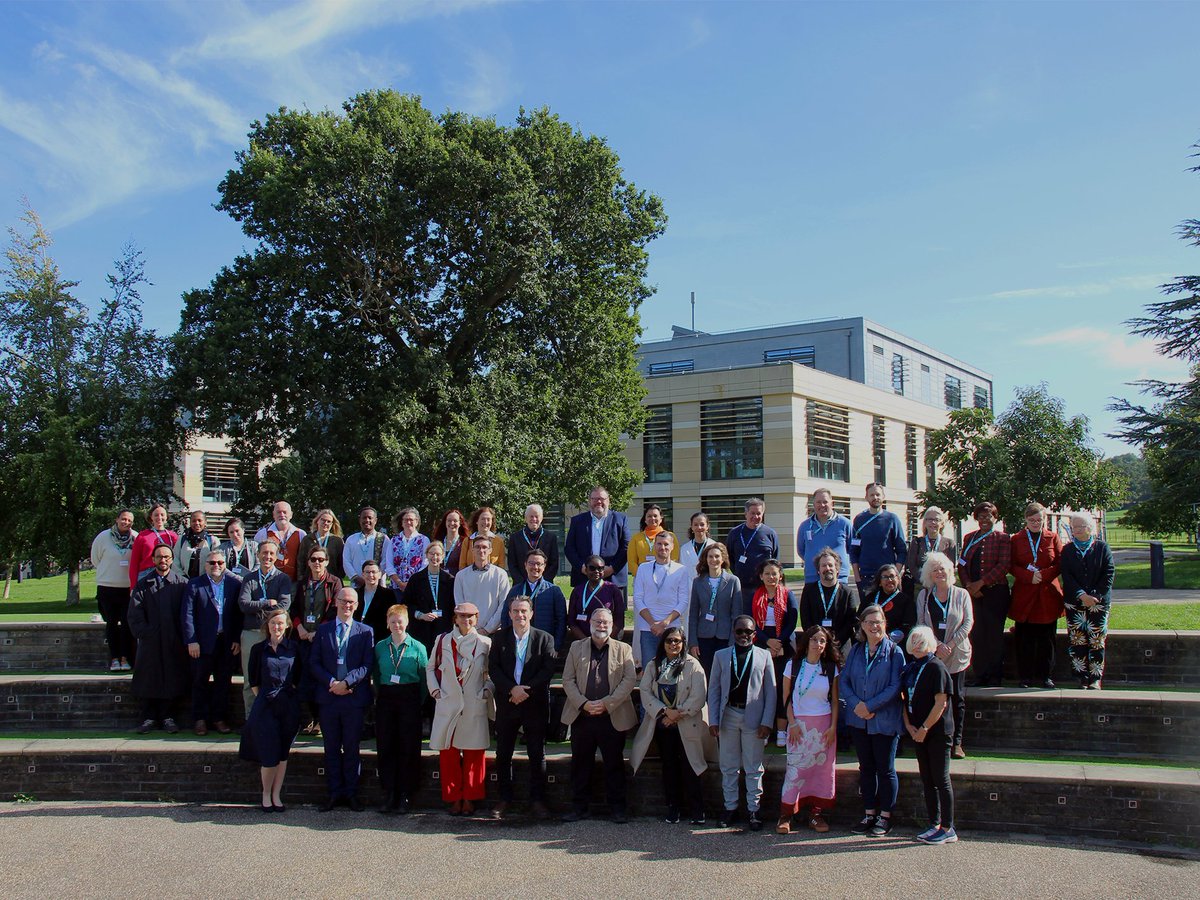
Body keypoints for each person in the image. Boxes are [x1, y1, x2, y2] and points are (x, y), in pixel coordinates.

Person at [560, 607, 637, 822]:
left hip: (612, 716)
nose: (601, 625)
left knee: (614, 764)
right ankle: (579, 808)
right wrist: (584, 704)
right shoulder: (576, 647)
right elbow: (567, 680)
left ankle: (618, 809)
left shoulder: (624, 649)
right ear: (590, 623)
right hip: (582, 716)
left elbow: (629, 680)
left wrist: (607, 703)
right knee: (580, 764)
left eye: (605, 622)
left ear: (612, 626)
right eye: (598, 622)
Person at [631, 626, 712, 825]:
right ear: (663, 643)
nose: (673, 644)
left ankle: (697, 810)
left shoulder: (693, 665)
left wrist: (678, 714)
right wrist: (665, 712)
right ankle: (673, 808)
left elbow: (699, 695)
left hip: (687, 723)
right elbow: (645, 691)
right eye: (669, 640)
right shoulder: (653, 665)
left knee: (691, 766)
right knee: (669, 767)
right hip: (663, 724)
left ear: (683, 643)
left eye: (677, 641)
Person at [839, 604, 905, 836]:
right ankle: (869, 814)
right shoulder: (857, 650)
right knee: (866, 768)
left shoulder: (895, 652)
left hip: (884, 720)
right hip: (859, 720)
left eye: (878, 622)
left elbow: (895, 686)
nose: (874, 626)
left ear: (885, 624)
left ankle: (885, 817)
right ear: (862, 625)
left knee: (885, 769)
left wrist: (870, 706)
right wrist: (857, 704)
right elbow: (844, 680)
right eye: (870, 622)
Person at [489, 596, 556, 819]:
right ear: (509, 614)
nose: (520, 615)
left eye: (524, 611)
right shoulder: (499, 638)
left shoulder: (544, 638)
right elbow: (494, 669)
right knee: (503, 753)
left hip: (534, 703)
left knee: (537, 754)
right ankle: (504, 799)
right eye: (516, 611)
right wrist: (512, 689)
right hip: (508, 702)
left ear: (531, 613)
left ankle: (538, 801)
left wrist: (525, 690)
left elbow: (547, 670)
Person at [707, 615, 776, 831]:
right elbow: (714, 690)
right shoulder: (721, 656)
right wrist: (713, 720)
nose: (744, 635)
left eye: (748, 631)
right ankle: (730, 807)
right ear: (733, 632)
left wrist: (767, 722)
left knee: (753, 766)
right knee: (728, 765)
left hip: (753, 717)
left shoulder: (764, 656)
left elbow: (771, 692)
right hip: (728, 714)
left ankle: (754, 809)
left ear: (754, 634)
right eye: (740, 631)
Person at [311, 589, 375, 811]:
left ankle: (351, 793)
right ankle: (334, 793)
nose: (347, 605)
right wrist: (331, 682)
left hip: (353, 698)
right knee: (330, 748)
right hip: (328, 697)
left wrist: (347, 683)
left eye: (351, 602)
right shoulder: (323, 630)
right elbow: (314, 662)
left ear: (357, 605)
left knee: (351, 747)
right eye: (343, 601)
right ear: (336, 602)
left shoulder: (365, 632)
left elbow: (367, 665)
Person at [427, 602, 493, 816]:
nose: (466, 620)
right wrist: (436, 691)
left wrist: (486, 691)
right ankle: (454, 797)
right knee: (449, 754)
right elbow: (430, 668)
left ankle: (471, 798)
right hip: (449, 703)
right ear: (455, 618)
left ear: (477, 618)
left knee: (474, 754)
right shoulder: (443, 640)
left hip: (473, 703)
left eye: (470, 616)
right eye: (462, 616)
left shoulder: (485, 642)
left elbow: (491, 672)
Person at [777, 625, 841, 834]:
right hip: (799, 726)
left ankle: (816, 814)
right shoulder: (793, 665)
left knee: (821, 771)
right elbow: (785, 697)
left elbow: (834, 701)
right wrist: (792, 723)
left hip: (823, 727)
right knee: (795, 770)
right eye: (814, 639)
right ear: (806, 642)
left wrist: (833, 727)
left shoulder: (830, 668)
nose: (818, 644)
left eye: (822, 641)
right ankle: (786, 814)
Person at [239, 607, 301, 812]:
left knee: (282, 753)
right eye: (273, 623)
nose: (277, 627)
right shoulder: (258, 649)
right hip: (265, 706)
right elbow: (254, 680)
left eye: (280, 623)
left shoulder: (294, 648)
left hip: (288, 705)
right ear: (268, 625)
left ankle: (276, 795)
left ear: (287, 625)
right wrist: (266, 698)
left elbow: (299, 677)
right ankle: (266, 794)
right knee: (269, 753)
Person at [901, 625, 958, 844]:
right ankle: (934, 823)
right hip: (917, 731)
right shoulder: (910, 668)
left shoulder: (936, 667)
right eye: (914, 640)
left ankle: (948, 828)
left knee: (941, 779)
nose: (917, 645)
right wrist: (909, 726)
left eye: (921, 641)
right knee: (927, 780)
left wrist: (924, 728)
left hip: (937, 732)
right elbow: (903, 699)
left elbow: (940, 703)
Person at [915, 551, 973, 759]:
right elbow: (921, 623)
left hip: (957, 655)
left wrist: (950, 644)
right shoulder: (924, 596)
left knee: (957, 698)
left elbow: (968, 623)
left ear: (949, 570)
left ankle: (957, 742)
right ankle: (935, 737)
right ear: (929, 574)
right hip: (933, 655)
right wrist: (937, 645)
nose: (939, 572)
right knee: (934, 697)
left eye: (942, 568)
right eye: (934, 570)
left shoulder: (962, 594)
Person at [373, 604, 429, 814]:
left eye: (400, 621)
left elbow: (424, 679)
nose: (397, 625)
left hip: (410, 698)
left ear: (407, 622)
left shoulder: (418, 647)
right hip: (387, 698)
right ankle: (390, 793)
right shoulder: (380, 647)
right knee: (386, 745)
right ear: (387, 624)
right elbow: (376, 674)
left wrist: (416, 700)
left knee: (408, 746)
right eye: (393, 621)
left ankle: (406, 793)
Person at [128, 544, 188, 734]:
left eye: (167, 557)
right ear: (153, 559)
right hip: (150, 642)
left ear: (172, 559)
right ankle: (148, 717)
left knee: (172, 677)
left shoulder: (181, 584)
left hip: (173, 641)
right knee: (149, 678)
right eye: (159, 557)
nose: (163, 560)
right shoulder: (143, 584)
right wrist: (147, 633)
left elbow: (187, 613)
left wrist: (181, 636)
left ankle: (168, 717)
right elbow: (135, 614)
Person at [182, 550, 243, 735]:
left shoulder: (234, 584)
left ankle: (219, 718)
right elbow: (187, 614)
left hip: (226, 642)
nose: (216, 566)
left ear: (225, 565)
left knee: (223, 682)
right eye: (212, 563)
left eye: (220, 563)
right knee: (199, 681)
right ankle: (200, 719)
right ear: (205, 565)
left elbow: (238, 615)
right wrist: (192, 641)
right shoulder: (195, 584)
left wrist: (236, 639)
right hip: (201, 643)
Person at [1009, 502, 1065, 689]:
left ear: (1044, 520)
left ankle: (1045, 676)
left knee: (1046, 639)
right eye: (1032, 520)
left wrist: (1044, 575)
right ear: (1026, 519)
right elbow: (1011, 564)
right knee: (1024, 639)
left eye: (1039, 520)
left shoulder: (1052, 537)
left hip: (1047, 596)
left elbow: (1060, 562)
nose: (1035, 523)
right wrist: (1028, 576)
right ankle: (1025, 677)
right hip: (1025, 595)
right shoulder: (1017, 539)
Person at [237, 542, 293, 721]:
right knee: (250, 678)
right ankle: (251, 719)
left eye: (271, 553)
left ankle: (273, 719)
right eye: (264, 553)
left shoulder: (283, 579)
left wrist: (259, 609)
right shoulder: (249, 578)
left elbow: (283, 605)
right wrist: (266, 603)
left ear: (276, 556)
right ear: (258, 554)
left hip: (274, 634)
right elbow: (244, 604)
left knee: (275, 677)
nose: (267, 557)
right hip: (252, 632)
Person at [957, 501, 1011, 687]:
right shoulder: (969, 538)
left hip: (995, 593)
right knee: (977, 634)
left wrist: (981, 583)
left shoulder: (1002, 538)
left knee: (994, 635)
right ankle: (980, 674)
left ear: (995, 518)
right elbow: (962, 564)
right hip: (973, 594)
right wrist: (969, 585)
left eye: (988, 516)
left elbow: (1003, 565)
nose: (984, 520)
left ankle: (995, 676)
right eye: (981, 517)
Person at [1060, 511, 1116, 690]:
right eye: (1073, 527)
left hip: (1098, 604)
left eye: (1080, 526)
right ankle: (1081, 677)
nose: (1076, 530)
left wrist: (1095, 596)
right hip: (1075, 603)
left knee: (1097, 640)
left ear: (1090, 528)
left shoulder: (1102, 548)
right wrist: (1081, 595)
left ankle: (1095, 678)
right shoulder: (1068, 550)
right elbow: (1067, 576)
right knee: (1077, 640)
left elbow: (1109, 573)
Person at [293, 545, 344, 732]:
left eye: (321, 560)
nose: (317, 563)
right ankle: (308, 718)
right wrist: (299, 627)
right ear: (308, 562)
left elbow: (335, 610)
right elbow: (295, 608)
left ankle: (321, 720)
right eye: (313, 559)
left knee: (321, 679)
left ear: (327, 562)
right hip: (303, 637)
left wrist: (319, 631)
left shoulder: (334, 582)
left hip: (323, 639)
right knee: (304, 679)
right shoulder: (302, 583)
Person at [749, 558, 798, 747]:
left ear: (780, 576)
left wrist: (778, 644)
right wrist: (767, 642)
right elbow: (752, 623)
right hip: (761, 644)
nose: (771, 577)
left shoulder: (788, 594)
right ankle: (765, 728)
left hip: (783, 646)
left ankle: (781, 731)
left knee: (781, 689)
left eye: (774, 574)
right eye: (767, 574)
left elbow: (792, 622)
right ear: (761, 576)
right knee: (763, 689)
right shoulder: (755, 596)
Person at [632, 531, 690, 668]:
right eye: (659, 544)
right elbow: (638, 598)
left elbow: (683, 600)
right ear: (654, 546)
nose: (662, 547)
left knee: (673, 668)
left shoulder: (681, 570)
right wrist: (653, 623)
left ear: (672, 546)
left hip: (671, 627)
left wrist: (664, 623)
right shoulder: (643, 568)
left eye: (666, 544)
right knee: (650, 668)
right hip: (648, 628)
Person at [90, 509, 137, 671]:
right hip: (107, 588)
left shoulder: (136, 537)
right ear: (117, 519)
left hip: (127, 589)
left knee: (126, 624)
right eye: (123, 519)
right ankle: (114, 659)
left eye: (129, 520)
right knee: (111, 623)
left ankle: (125, 658)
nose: (126, 522)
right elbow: (95, 559)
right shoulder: (103, 537)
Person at [687, 542, 741, 675]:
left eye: (717, 556)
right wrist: (693, 642)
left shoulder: (733, 581)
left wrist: (733, 641)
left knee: (724, 674)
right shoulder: (698, 582)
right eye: (710, 556)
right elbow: (693, 614)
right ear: (706, 559)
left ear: (723, 559)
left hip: (725, 637)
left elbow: (736, 615)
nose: (713, 560)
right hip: (704, 636)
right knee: (706, 674)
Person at [564, 485, 632, 591]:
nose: (598, 502)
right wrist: (582, 567)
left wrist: (612, 568)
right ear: (589, 501)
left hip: (612, 579)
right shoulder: (577, 521)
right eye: (594, 499)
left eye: (602, 498)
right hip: (583, 578)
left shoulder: (620, 520)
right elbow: (569, 548)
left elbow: (626, 547)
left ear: (608, 501)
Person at [849, 483, 907, 601]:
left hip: (887, 578)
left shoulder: (892, 519)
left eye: (878, 494)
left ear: (883, 497)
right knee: (868, 610)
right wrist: (857, 578)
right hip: (866, 578)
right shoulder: (859, 520)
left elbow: (902, 550)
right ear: (866, 497)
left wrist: (895, 574)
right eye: (872, 495)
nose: (875, 497)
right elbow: (854, 550)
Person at [501, 549, 566, 653]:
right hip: (518, 645)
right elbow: (505, 617)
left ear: (544, 566)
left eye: (539, 564)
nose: (535, 567)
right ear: (525, 565)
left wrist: (556, 647)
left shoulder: (554, 591)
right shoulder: (515, 590)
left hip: (544, 646)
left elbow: (561, 620)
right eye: (531, 563)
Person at [724, 498, 780, 609]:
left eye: (758, 513)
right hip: (741, 587)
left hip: (764, 586)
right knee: (744, 617)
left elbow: (775, 560)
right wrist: (738, 571)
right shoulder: (735, 533)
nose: (755, 516)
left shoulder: (770, 534)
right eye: (752, 513)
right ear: (746, 514)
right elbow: (729, 556)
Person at [798, 548, 859, 650]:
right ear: (818, 570)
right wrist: (818, 640)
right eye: (823, 565)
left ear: (837, 569)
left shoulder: (847, 592)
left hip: (840, 645)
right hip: (816, 644)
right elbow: (805, 619)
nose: (827, 568)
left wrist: (834, 642)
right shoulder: (809, 591)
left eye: (830, 565)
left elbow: (850, 622)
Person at [453, 535, 512, 635]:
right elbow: (460, 605)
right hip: (468, 632)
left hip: (493, 633)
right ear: (472, 550)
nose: (481, 550)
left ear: (490, 550)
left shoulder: (500, 574)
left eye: (484, 547)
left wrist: (487, 629)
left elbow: (504, 604)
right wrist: (470, 628)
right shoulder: (461, 576)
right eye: (477, 547)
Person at [404, 541, 455, 653]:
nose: (434, 557)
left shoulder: (450, 580)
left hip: (443, 629)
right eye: (431, 553)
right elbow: (406, 604)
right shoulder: (416, 579)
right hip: (420, 629)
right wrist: (420, 615)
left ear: (443, 557)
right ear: (426, 555)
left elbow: (453, 605)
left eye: (438, 554)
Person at [796, 488, 853, 585]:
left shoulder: (845, 524)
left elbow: (852, 549)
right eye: (818, 502)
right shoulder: (805, 526)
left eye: (825, 502)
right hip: (812, 579)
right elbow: (801, 551)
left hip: (838, 579)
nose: (822, 505)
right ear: (813, 504)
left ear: (832, 503)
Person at [566, 554, 627, 643]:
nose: (597, 571)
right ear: (586, 570)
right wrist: (586, 642)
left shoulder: (613, 590)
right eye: (592, 568)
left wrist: (604, 641)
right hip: (582, 642)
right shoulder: (577, 591)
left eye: (600, 568)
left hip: (606, 642)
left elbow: (619, 620)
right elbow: (572, 621)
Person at [904, 506, 956, 596]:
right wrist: (925, 581)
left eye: (936, 520)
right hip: (921, 587)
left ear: (942, 524)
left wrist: (938, 582)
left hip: (942, 588)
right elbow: (912, 566)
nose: (933, 522)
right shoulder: (916, 542)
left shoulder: (950, 543)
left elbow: (951, 567)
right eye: (929, 519)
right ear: (925, 523)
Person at [863, 564, 916, 650]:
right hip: (869, 641)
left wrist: (888, 637)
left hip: (894, 645)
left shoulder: (906, 601)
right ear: (880, 582)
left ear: (898, 579)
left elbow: (908, 626)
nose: (889, 580)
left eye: (892, 576)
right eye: (885, 577)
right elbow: (860, 619)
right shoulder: (870, 598)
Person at [253, 501, 307, 582]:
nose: (282, 515)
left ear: (291, 515)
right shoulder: (262, 534)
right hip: (269, 581)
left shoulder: (301, 534)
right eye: (279, 512)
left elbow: (304, 559)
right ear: (273, 514)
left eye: (285, 512)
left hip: (294, 582)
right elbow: (255, 558)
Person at [128, 503, 178, 589]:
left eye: (162, 515)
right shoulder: (142, 536)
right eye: (156, 515)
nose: (159, 517)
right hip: (146, 575)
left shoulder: (173, 536)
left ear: (166, 517)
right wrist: (133, 586)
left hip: (166, 573)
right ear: (151, 517)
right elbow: (134, 562)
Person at [627, 503, 679, 585]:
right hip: (642, 580)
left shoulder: (671, 536)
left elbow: (675, 558)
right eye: (649, 516)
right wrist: (643, 576)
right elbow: (631, 562)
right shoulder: (636, 538)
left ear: (661, 519)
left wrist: (664, 574)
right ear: (645, 519)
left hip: (666, 579)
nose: (652, 518)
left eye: (655, 516)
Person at [508, 503, 560, 582]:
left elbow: (554, 564)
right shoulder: (515, 538)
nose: (534, 519)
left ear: (541, 518)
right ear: (526, 518)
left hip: (544, 585)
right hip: (521, 584)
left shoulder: (551, 537)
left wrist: (542, 583)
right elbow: (512, 564)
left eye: (536, 516)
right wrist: (523, 583)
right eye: (531, 516)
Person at [342, 506, 392, 587]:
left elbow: (386, 560)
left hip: (377, 584)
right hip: (356, 584)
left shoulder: (383, 539)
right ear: (359, 520)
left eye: (370, 518)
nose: (367, 520)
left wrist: (374, 577)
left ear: (375, 520)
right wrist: (355, 577)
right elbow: (346, 561)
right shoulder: (351, 539)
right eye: (364, 518)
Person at [388, 507, 430, 593]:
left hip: (417, 587)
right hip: (397, 587)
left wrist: (412, 582)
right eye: (405, 520)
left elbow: (425, 564)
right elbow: (389, 565)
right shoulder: (394, 540)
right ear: (402, 523)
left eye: (411, 520)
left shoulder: (424, 540)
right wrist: (400, 583)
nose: (408, 522)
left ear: (417, 522)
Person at [355, 559, 397, 643]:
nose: (371, 575)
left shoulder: (388, 595)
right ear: (363, 574)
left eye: (373, 572)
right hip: (356, 637)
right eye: (367, 572)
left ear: (380, 574)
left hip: (379, 638)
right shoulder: (355, 593)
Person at [297, 509, 346, 582]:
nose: (325, 523)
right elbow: (301, 561)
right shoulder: (307, 539)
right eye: (323, 520)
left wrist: (337, 579)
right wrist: (301, 579)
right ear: (317, 521)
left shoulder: (337, 541)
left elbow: (341, 563)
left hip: (331, 581)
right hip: (310, 581)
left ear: (332, 524)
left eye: (329, 521)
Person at [174, 510, 220, 581]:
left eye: (199, 520)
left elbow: (216, 562)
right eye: (194, 521)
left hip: (206, 581)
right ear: (190, 523)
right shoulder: (181, 540)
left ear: (205, 523)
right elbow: (175, 560)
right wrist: (182, 577)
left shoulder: (213, 541)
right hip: (183, 581)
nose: (197, 523)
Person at [458, 506, 506, 572]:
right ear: (477, 521)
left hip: (492, 577)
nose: (485, 522)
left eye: (488, 519)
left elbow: (501, 565)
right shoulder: (467, 541)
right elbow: (462, 565)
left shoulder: (499, 542)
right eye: (483, 519)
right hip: (470, 577)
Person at [432, 508, 469, 577]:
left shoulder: (465, 542)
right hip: (439, 580)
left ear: (460, 523)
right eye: (449, 520)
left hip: (457, 580)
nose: (452, 523)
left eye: (455, 521)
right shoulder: (438, 541)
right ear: (445, 522)